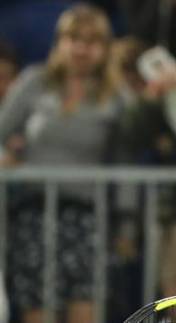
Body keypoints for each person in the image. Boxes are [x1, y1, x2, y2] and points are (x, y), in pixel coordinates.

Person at [0, 4, 120, 323]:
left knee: (85, 307)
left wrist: (128, 224)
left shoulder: (115, 93)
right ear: (59, 42)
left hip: (87, 217)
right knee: (37, 310)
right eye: (74, 38)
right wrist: (6, 158)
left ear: (105, 48)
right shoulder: (33, 81)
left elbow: (128, 152)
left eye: (92, 40)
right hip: (32, 213)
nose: (81, 48)